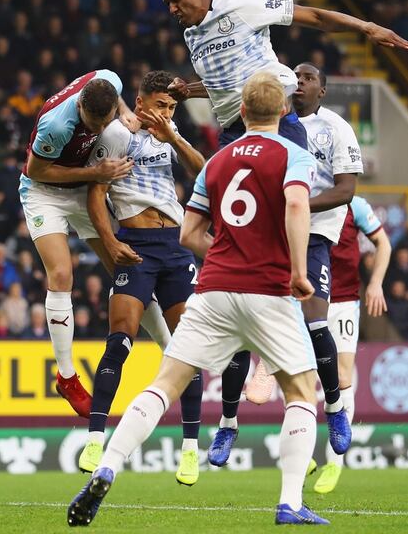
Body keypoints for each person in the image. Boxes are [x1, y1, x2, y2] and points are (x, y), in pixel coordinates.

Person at [68, 72, 329, 526]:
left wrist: (232, 255)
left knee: (162, 384)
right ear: (284, 112)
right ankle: (289, 502)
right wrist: (298, 272)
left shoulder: (219, 161)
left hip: (214, 289)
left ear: (241, 112)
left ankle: (106, 466)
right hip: (268, 290)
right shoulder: (294, 155)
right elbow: (295, 206)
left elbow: (190, 234)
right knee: (302, 393)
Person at [207, 62, 360, 468]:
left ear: (321, 90)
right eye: (296, 77)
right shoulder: (260, 128)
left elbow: (347, 189)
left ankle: (335, 409)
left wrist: (296, 208)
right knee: (240, 331)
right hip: (261, 236)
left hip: (313, 235)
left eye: (310, 78)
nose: (301, 82)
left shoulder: (335, 129)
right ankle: (227, 422)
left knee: (315, 322)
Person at [20, 69, 174, 418]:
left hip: (82, 191)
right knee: (61, 274)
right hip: (44, 193)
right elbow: (37, 171)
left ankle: (171, 349)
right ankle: (67, 376)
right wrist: (96, 173)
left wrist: (125, 113)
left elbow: (115, 92)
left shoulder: (109, 82)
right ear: (81, 108)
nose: (94, 132)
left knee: (127, 268)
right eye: (90, 125)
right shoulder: (57, 126)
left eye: (101, 125)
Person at [79, 70, 206, 486]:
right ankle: (96, 438)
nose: (167, 113)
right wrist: (109, 240)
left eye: (172, 107)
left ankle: (190, 450)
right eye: (161, 105)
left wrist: (175, 138)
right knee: (121, 340)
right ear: (141, 100)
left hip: (174, 246)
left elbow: (205, 174)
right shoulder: (117, 135)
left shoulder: (170, 134)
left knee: (186, 348)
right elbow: (96, 191)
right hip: (135, 246)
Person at [159, 0, 408, 150]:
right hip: (233, 132)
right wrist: (188, 91)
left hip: (274, 121)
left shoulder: (241, 6)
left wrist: (367, 27)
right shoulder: (191, 36)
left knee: (290, 202)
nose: (172, 9)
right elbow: (223, 84)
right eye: (168, 3)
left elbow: (314, 16)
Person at [312, 195, 391, 493]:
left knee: (343, 377)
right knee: (302, 379)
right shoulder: (304, 195)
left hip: (344, 302)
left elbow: (384, 243)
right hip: (310, 300)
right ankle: (301, 453)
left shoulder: (355, 205)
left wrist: (376, 282)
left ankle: (335, 462)